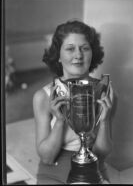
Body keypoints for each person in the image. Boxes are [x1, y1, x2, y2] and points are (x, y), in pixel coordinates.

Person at [33, 20, 115, 184]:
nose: (78, 55)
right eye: (70, 49)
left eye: (84, 48)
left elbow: (102, 154)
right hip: (53, 171)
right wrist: (59, 122)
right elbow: (47, 157)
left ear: (92, 54)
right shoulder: (43, 96)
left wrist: (104, 121)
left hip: (93, 168)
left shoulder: (106, 91)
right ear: (58, 55)